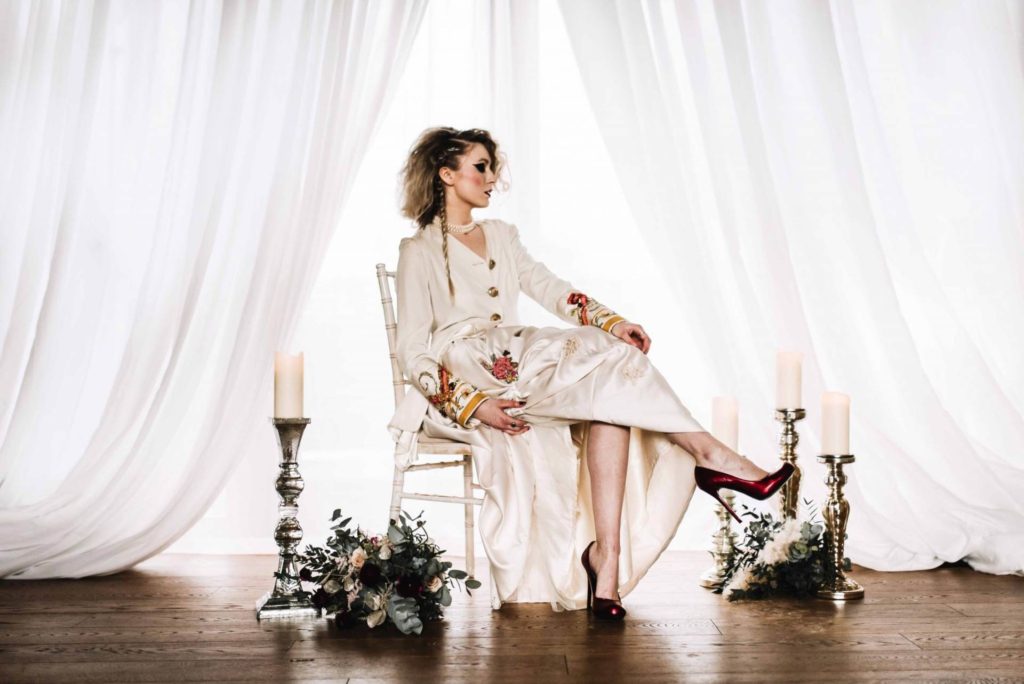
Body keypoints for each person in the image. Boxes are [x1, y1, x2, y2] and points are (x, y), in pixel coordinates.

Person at [387, 126, 793, 620]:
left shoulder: (502, 236)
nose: (492, 178)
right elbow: (412, 350)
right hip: (471, 367)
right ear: (446, 174)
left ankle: (607, 562)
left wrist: (612, 321)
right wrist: (474, 405)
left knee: (611, 389)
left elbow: (551, 288)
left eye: (493, 167)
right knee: (608, 365)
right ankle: (711, 453)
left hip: (521, 359)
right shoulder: (418, 250)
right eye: (481, 167)